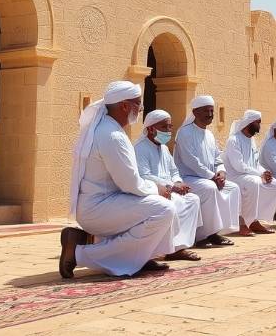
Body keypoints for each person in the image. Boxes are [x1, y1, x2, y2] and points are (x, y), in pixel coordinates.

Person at [60, 81, 177, 278]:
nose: (140, 109)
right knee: (163, 209)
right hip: (99, 208)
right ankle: (79, 253)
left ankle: (138, 256)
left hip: (102, 204)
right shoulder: (112, 135)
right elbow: (129, 183)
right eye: (138, 104)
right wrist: (157, 189)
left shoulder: (108, 129)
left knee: (158, 204)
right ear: (124, 106)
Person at [135, 109, 202, 261]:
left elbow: (173, 170)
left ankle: (179, 247)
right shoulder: (140, 148)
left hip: (170, 188)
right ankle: (168, 248)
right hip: (153, 190)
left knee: (192, 200)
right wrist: (171, 186)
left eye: (170, 127)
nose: (168, 131)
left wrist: (178, 182)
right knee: (175, 202)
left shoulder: (164, 148)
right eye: (164, 127)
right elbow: (144, 175)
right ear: (151, 129)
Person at [174, 95, 239, 247]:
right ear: (195, 112)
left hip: (208, 177)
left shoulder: (209, 134)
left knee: (233, 188)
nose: (210, 114)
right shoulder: (184, 133)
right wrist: (212, 177)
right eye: (206, 111)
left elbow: (218, 158)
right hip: (188, 178)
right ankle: (202, 236)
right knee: (209, 188)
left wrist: (221, 172)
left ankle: (217, 231)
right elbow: (191, 161)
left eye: (212, 111)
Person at [222, 110, 276, 235]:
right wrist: (260, 174)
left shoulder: (252, 141)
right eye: (258, 122)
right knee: (254, 182)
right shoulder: (234, 140)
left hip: (249, 175)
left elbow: (256, 164)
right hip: (235, 176)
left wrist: (265, 172)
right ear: (249, 123)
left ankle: (254, 221)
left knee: (274, 184)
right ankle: (243, 223)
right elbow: (239, 166)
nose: (260, 126)